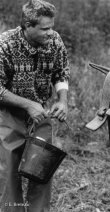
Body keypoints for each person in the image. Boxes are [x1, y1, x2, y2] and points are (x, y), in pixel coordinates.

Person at [0, 0, 70, 211]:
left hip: (40, 113)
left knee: (42, 168)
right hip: (9, 113)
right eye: (45, 28)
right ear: (27, 26)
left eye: (52, 26)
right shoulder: (5, 44)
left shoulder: (54, 41)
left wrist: (62, 100)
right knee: (8, 172)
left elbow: (61, 72)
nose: (51, 32)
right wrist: (27, 104)